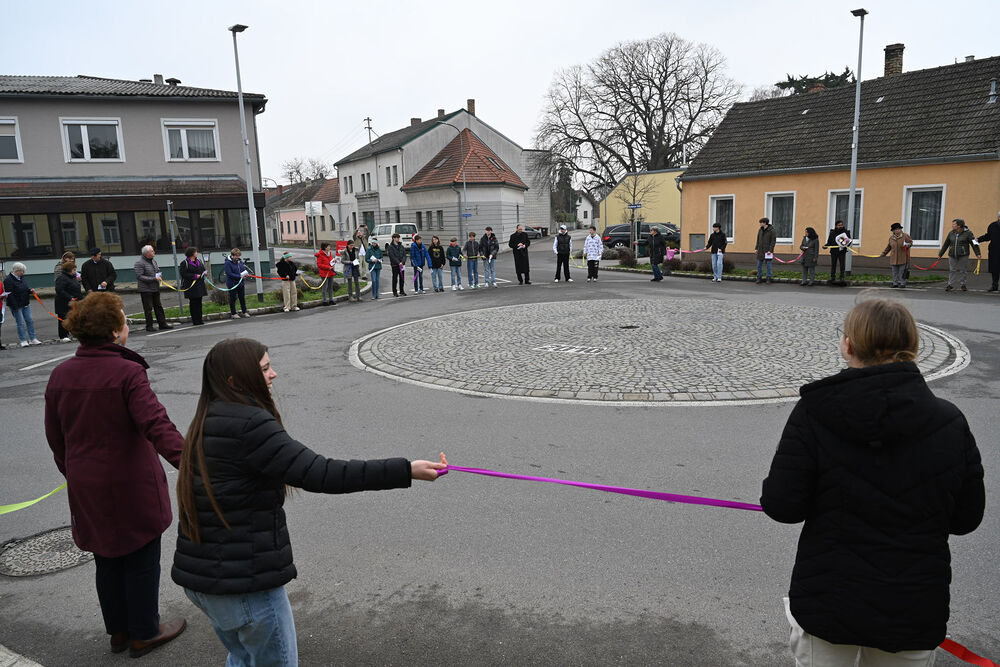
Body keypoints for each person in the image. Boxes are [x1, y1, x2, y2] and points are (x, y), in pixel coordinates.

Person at [171, 338, 447, 667]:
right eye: (264, 369)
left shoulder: (208, 417)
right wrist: (406, 470)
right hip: (245, 587)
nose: (274, 374)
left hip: (205, 582)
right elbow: (321, 473)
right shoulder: (250, 425)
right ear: (235, 381)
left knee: (243, 658)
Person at [761, 298, 984, 667]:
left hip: (830, 598)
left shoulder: (815, 411)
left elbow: (783, 506)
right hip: (912, 604)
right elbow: (966, 518)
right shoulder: (950, 422)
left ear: (848, 345)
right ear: (913, 346)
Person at [45, 292, 187, 658]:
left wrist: (73, 471)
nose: (127, 324)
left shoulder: (60, 375)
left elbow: (56, 437)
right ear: (113, 331)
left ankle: (119, 631)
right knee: (141, 556)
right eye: (124, 319)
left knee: (106, 556)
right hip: (130, 483)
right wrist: (193, 464)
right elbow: (156, 424)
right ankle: (144, 632)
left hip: (85, 483)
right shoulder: (127, 371)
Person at [134, 245, 173, 332]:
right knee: (148, 308)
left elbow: (157, 270)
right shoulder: (139, 263)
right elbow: (139, 276)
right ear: (147, 253)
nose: (154, 252)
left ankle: (162, 324)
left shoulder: (153, 261)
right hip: (146, 289)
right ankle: (149, 326)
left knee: (158, 306)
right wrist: (154, 279)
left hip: (155, 288)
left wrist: (159, 275)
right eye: (152, 251)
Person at [3, 262, 42, 346]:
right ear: (17, 271)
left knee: (30, 320)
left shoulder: (21, 278)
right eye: (22, 271)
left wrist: (30, 291)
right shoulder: (8, 280)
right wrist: (15, 307)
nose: (23, 273)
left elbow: (24, 289)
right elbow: (10, 295)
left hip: (25, 303)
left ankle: (33, 339)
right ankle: (23, 340)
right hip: (16, 305)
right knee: (20, 323)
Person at [938, 218, 981, 292]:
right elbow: (946, 244)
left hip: (963, 255)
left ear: (959, 226)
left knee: (963, 270)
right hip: (952, 254)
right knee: (952, 270)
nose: (952, 225)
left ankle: (963, 284)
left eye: (954, 224)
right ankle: (950, 284)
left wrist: (978, 253)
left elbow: (974, 244)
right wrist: (940, 254)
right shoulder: (951, 233)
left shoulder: (968, 233)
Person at [54, 260, 83, 341]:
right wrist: (70, 297)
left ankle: (74, 333)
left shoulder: (73, 277)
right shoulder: (62, 278)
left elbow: (76, 289)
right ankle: (63, 336)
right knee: (64, 318)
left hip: (74, 302)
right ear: (69, 270)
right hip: (63, 303)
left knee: (74, 318)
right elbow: (59, 290)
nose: (75, 271)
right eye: (74, 269)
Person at [178, 247, 208, 326]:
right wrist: (194, 276)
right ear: (191, 253)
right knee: (193, 303)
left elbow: (202, 269)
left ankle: (200, 319)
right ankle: (195, 320)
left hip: (199, 285)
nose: (197, 253)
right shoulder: (185, 263)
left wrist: (204, 273)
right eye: (195, 252)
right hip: (191, 286)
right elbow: (183, 274)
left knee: (199, 302)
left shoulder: (199, 261)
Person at [880, 223, 913, 289]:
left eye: (899, 229)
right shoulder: (891, 238)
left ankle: (903, 283)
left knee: (902, 272)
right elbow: (888, 247)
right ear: (893, 231)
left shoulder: (905, 236)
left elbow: (911, 243)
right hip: (894, 258)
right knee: (894, 272)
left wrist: (907, 245)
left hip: (903, 257)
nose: (898, 230)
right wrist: (883, 253)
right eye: (896, 229)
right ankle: (895, 283)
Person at [224, 248, 252, 317]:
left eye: (238, 255)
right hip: (232, 283)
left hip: (240, 283)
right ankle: (233, 313)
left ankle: (244, 311)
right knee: (233, 298)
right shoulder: (228, 263)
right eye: (236, 256)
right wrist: (239, 276)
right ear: (232, 255)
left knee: (242, 298)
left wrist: (245, 274)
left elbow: (243, 269)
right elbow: (229, 274)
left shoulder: (240, 261)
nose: (237, 257)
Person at [978, 211, 1000, 291]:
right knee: (995, 270)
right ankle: (994, 286)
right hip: (994, 251)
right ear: (999, 217)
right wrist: (978, 240)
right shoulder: (992, 226)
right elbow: (988, 236)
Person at [826, 220, 851, 285]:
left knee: (842, 265)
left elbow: (848, 242)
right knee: (833, 264)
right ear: (836, 226)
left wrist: (845, 244)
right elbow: (829, 242)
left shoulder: (846, 232)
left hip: (842, 251)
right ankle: (832, 277)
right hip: (834, 251)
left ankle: (842, 277)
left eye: (841, 225)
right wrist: (826, 246)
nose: (840, 226)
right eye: (839, 225)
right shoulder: (832, 232)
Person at [755, 217, 776, 284]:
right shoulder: (760, 230)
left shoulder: (772, 231)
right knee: (759, 265)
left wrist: (770, 250)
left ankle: (768, 278)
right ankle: (759, 277)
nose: (760, 224)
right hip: (760, 250)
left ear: (765, 223)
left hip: (768, 251)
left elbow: (773, 242)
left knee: (768, 265)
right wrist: (756, 248)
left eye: (761, 223)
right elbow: (758, 240)